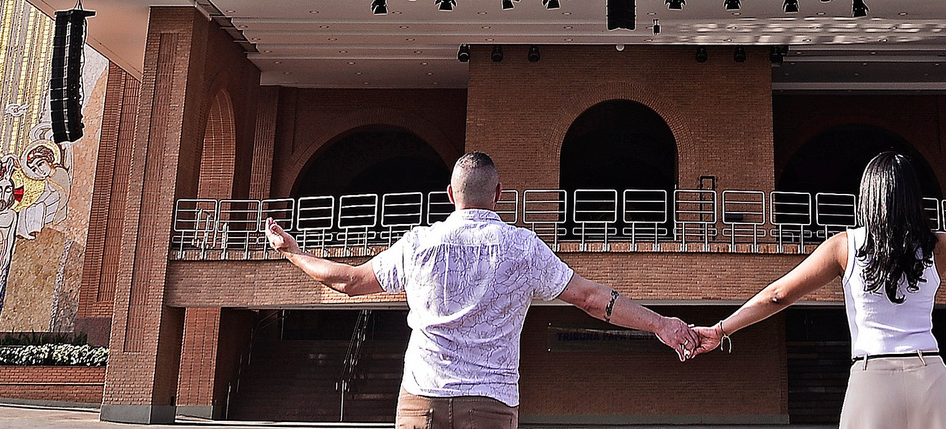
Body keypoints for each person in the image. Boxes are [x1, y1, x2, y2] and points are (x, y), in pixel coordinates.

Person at [265, 150, 701, 428]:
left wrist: (293, 253)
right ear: (498, 194)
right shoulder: (523, 248)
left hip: (422, 400)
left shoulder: (418, 244)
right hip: (491, 404)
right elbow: (590, 299)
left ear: (450, 194)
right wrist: (661, 324)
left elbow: (348, 281)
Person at [691, 155, 946, 429]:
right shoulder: (936, 246)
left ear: (867, 197)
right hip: (931, 378)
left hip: (871, 379)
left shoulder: (844, 246)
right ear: (912, 197)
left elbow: (779, 295)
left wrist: (721, 329)